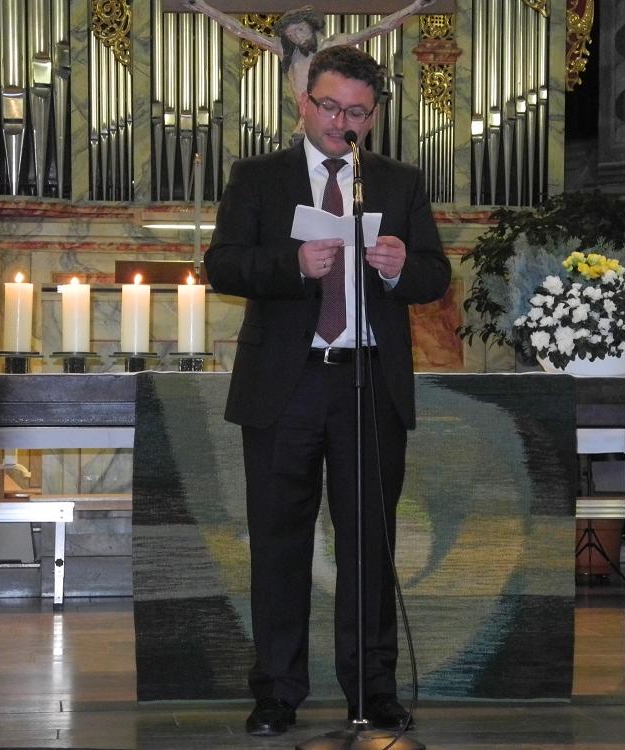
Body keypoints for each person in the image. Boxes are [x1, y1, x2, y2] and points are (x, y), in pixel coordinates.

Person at [204, 44, 450, 737]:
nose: (342, 122)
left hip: (368, 382)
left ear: (373, 118)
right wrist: (292, 264)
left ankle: (372, 690)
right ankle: (277, 692)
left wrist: (400, 267)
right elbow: (222, 264)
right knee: (278, 542)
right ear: (303, 102)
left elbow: (435, 275)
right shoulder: (259, 177)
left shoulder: (398, 182)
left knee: (368, 543)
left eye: (358, 113)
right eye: (331, 106)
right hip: (285, 385)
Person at [184, 0, 436, 103]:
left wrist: (416, 5)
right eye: (292, 35)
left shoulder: (333, 45)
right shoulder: (287, 52)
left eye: (300, 30)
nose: (297, 37)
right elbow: (241, 30)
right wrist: (202, 6)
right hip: (305, 119)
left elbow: (379, 28)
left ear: (312, 26)